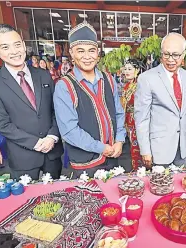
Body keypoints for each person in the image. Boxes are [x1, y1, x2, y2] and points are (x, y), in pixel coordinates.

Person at [0, 24, 63, 180]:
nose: (14, 51)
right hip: (23, 157)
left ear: (23, 45)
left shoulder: (43, 75)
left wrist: (52, 137)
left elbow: (57, 111)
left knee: (57, 198)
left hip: (52, 152)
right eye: (5, 47)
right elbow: (2, 124)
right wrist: (36, 143)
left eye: (17, 44)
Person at [53, 22, 126, 177]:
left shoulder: (108, 79)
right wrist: (101, 148)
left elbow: (119, 113)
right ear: (72, 53)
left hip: (113, 156)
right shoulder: (64, 86)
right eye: (81, 51)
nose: (87, 57)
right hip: (86, 164)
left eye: (91, 51)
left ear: (98, 53)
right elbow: (69, 131)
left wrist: (119, 140)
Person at [135, 33, 186, 167]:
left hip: (182, 147)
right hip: (159, 149)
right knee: (160, 187)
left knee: (182, 185)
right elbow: (141, 118)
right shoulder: (147, 78)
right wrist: (145, 150)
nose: (170, 59)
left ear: (183, 55)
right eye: (166, 54)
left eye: (175, 55)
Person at [122, 59, 143, 170]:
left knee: (138, 148)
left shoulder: (140, 85)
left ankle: (140, 171)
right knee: (133, 147)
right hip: (129, 121)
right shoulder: (127, 86)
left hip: (138, 121)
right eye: (125, 69)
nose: (126, 71)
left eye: (130, 69)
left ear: (137, 70)